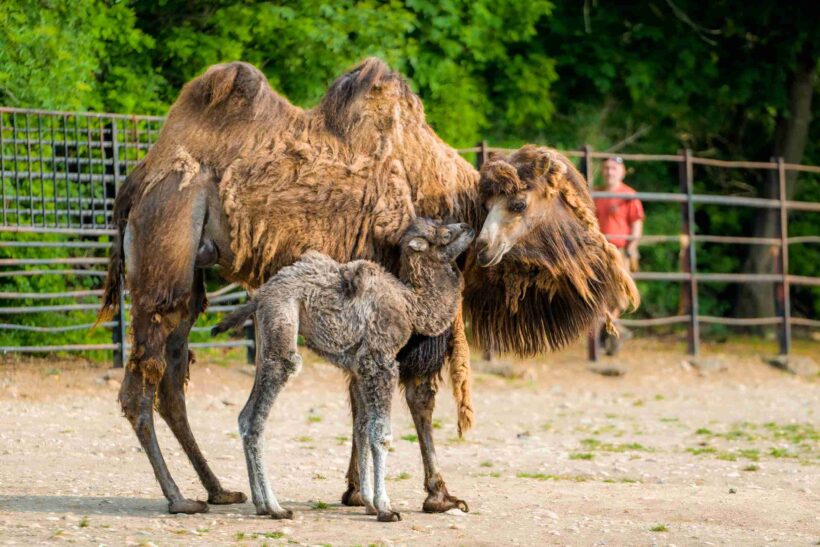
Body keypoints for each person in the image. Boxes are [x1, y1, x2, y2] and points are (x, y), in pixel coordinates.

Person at [594, 156, 644, 354]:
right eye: (606, 168)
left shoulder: (628, 195)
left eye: (613, 168)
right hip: (597, 251)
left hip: (619, 251)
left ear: (621, 171)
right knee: (600, 294)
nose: (609, 172)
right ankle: (610, 332)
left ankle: (608, 331)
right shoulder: (595, 193)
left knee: (620, 296)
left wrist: (632, 245)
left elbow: (636, 223)